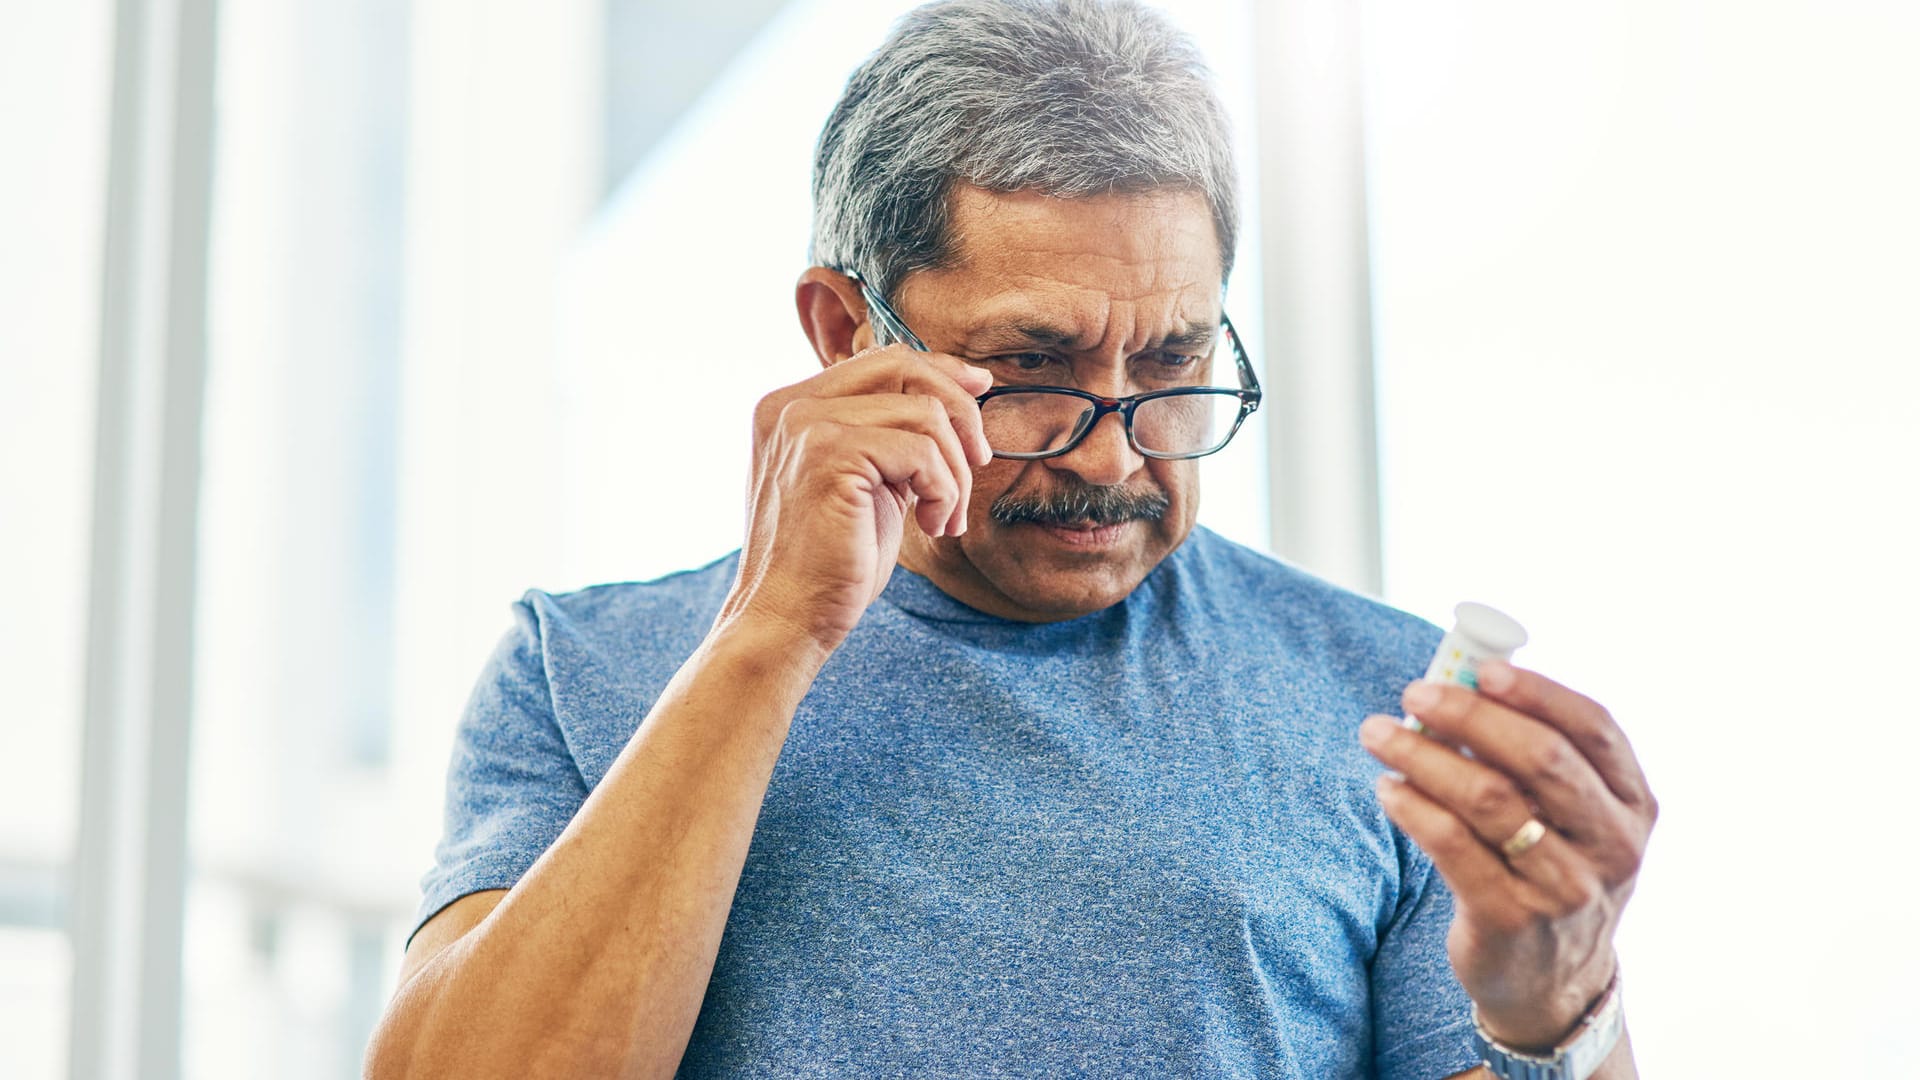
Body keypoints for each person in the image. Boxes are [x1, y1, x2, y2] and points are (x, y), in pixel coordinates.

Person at [364, 1, 1656, 1077]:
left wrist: (1560, 1017)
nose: (1112, 456)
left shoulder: (1389, 702)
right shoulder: (580, 668)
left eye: (1173, 360)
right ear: (843, 333)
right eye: (1033, 366)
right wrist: (768, 640)